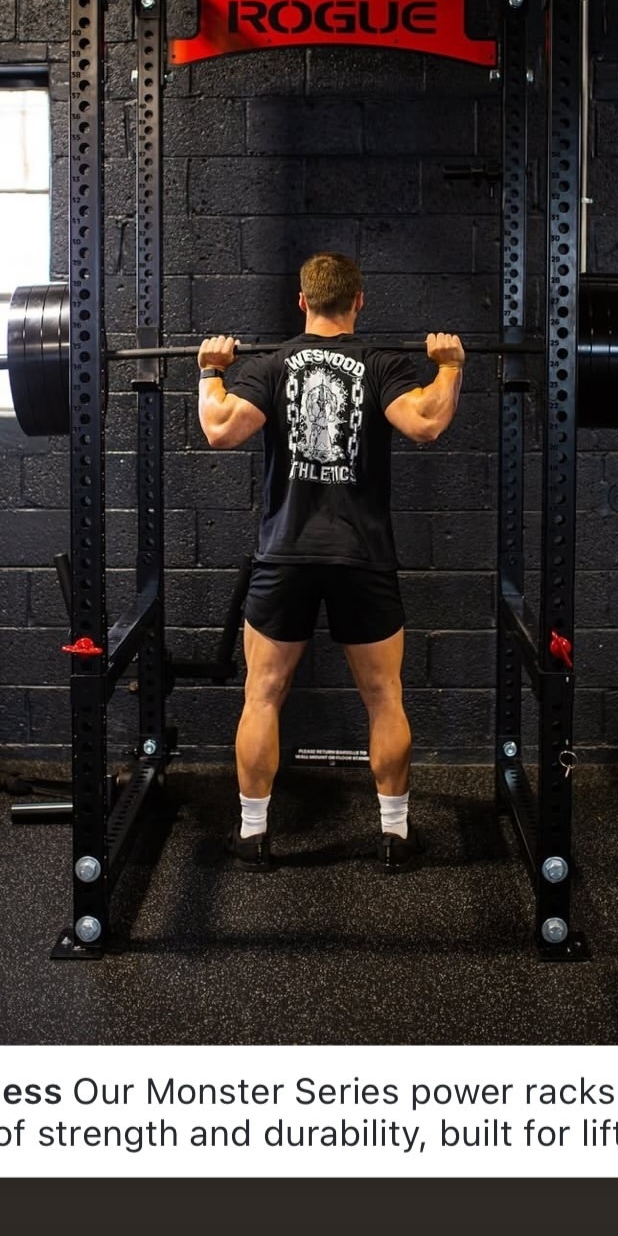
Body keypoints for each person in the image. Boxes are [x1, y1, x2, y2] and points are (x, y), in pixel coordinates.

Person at [196, 251, 465, 871]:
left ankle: (253, 834)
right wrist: (449, 367)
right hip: (361, 556)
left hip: (285, 553)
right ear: (359, 301)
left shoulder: (271, 365)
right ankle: (394, 835)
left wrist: (211, 370)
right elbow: (425, 423)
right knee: (384, 696)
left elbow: (220, 428)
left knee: (263, 694)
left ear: (302, 301)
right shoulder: (381, 364)